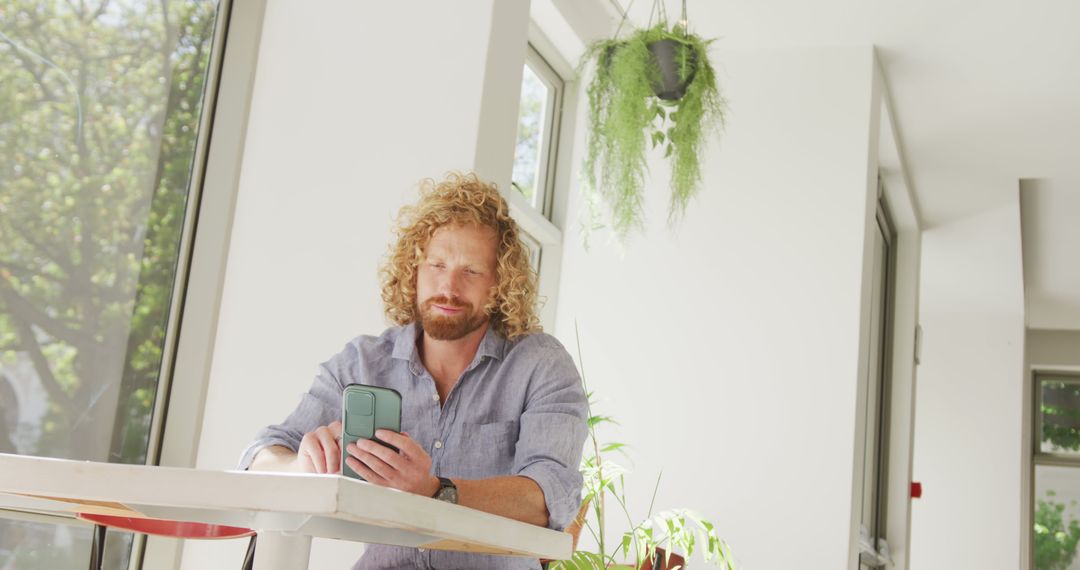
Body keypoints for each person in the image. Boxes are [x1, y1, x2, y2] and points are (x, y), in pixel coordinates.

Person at [239, 172, 588, 569]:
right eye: (436, 265)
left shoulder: (540, 364)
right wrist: (301, 463)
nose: (449, 287)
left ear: (500, 284)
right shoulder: (364, 361)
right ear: (414, 270)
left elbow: (551, 494)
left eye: (471, 271)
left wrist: (438, 492)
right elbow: (258, 456)